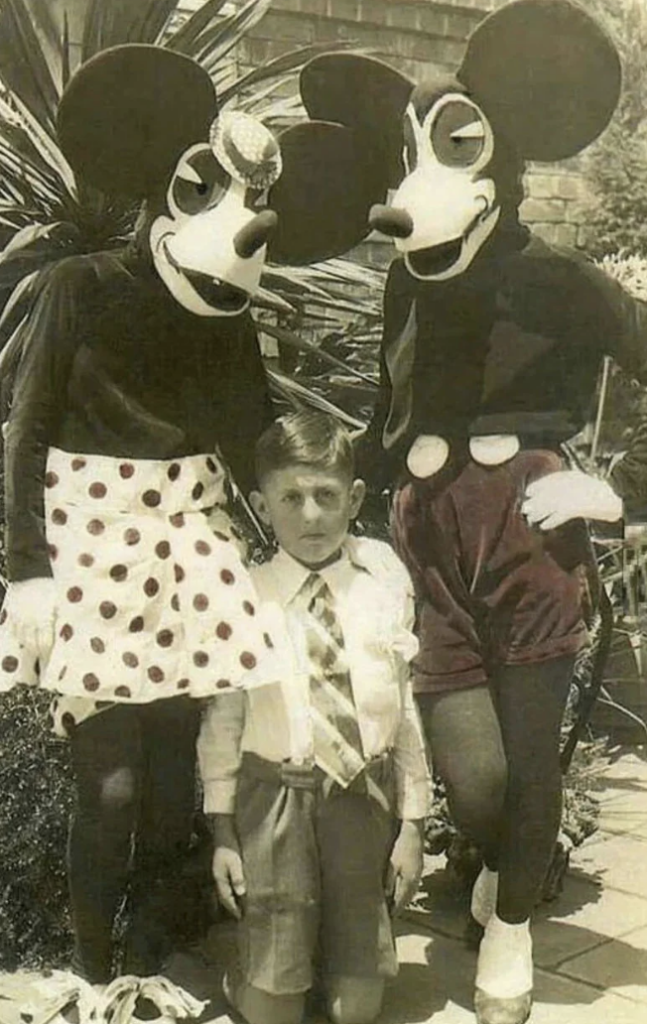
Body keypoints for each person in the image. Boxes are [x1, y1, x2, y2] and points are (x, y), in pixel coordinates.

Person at [198, 410, 432, 1024]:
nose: (310, 515)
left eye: (326, 496)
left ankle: (335, 954)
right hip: (275, 803)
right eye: (291, 497)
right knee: (274, 1012)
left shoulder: (381, 583)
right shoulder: (244, 596)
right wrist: (222, 832)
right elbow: (223, 722)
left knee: (354, 1012)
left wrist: (413, 825)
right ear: (260, 503)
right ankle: (258, 971)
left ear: (354, 498)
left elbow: (404, 710)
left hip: (363, 799)